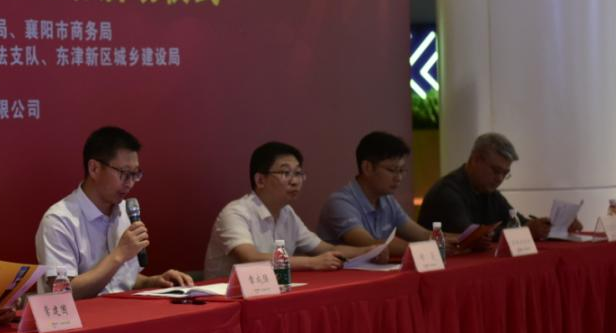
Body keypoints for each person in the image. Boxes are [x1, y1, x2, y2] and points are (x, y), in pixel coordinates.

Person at [35, 126, 194, 299]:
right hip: (81, 316)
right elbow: (63, 292)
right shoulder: (59, 220)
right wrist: (119, 254)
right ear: (94, 168)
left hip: (124, 310)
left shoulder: (124, 211)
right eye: (124, 173)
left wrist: (152, 282)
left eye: (135, 174)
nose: (130, 183)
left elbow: (120, 280)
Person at [203, 141, 376, 280]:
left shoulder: (287, 213)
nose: (295, 181)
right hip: (226, 299)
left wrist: (369, 251)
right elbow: (251, 258)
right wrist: (312, 263)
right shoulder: (236, 212)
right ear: (260, 180)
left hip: (272, 292)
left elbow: (325, 249)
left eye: (298, 173)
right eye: (286, 173)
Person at [418, 132, 578, 241]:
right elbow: (470, 237)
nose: (500, 179)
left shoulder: (488, 191)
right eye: (495, 171)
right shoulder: (447, 193)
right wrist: (525, 232)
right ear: (476, 160)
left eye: (505, 173)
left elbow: (517, 221)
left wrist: (553, 226)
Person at [317, 131, 444, 258]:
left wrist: (450, 241)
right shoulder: (340, 202)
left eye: (401, 170)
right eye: (392, 170)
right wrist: (431, 248)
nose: (398, 178)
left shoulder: (387, 200)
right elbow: (370, 244)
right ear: (367, 167)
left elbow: (422, 235)